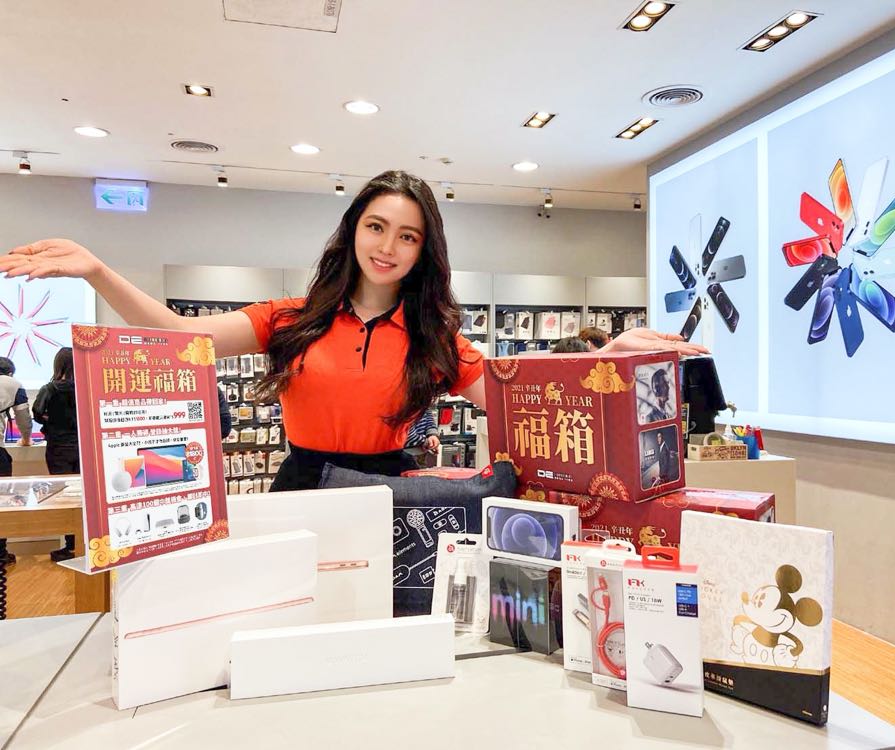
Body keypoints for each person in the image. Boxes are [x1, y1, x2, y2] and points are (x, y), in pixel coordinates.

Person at [0, 171, 708, 492]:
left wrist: (607, 360)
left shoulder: (433, 338)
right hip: (301, 484)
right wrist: (98, 271)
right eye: (377, 226)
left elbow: (516, 392)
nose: (388, 246)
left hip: (390, 492)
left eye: (407, 235)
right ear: (354, 231)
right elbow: (175, 336)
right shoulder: (289, 319)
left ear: (422, 251)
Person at [32, 347, 79, 561]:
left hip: (58, 448)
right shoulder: (85, 387)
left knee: (64, 497)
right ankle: (81, 544)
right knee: (82, 496)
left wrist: (51, 420)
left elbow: (37, 412)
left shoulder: (50, 388)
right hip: (82, 448)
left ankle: (70, 546)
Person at [0, 356, 32, 565]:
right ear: (10, 372)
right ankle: (0, 553)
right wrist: (26, 439)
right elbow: (24, 419)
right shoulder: (14, 384)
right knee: (2, 502)